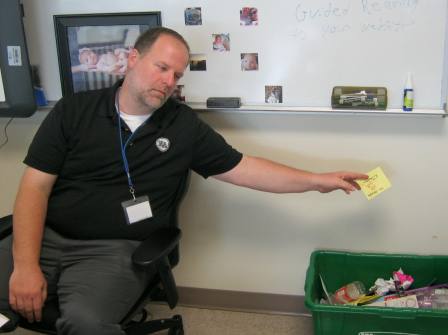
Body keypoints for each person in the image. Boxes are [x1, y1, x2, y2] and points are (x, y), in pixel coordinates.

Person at [0, 27, 367, 334]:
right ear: (132, 59)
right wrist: (27, 265)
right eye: (162, 68)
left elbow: (244, 168)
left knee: (86, 324)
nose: (168, 81)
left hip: (113, 251)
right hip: (46, 236)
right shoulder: (73, 110)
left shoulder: (182, 126)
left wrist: (317, 180)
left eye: (176, 75)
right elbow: (35, 187)